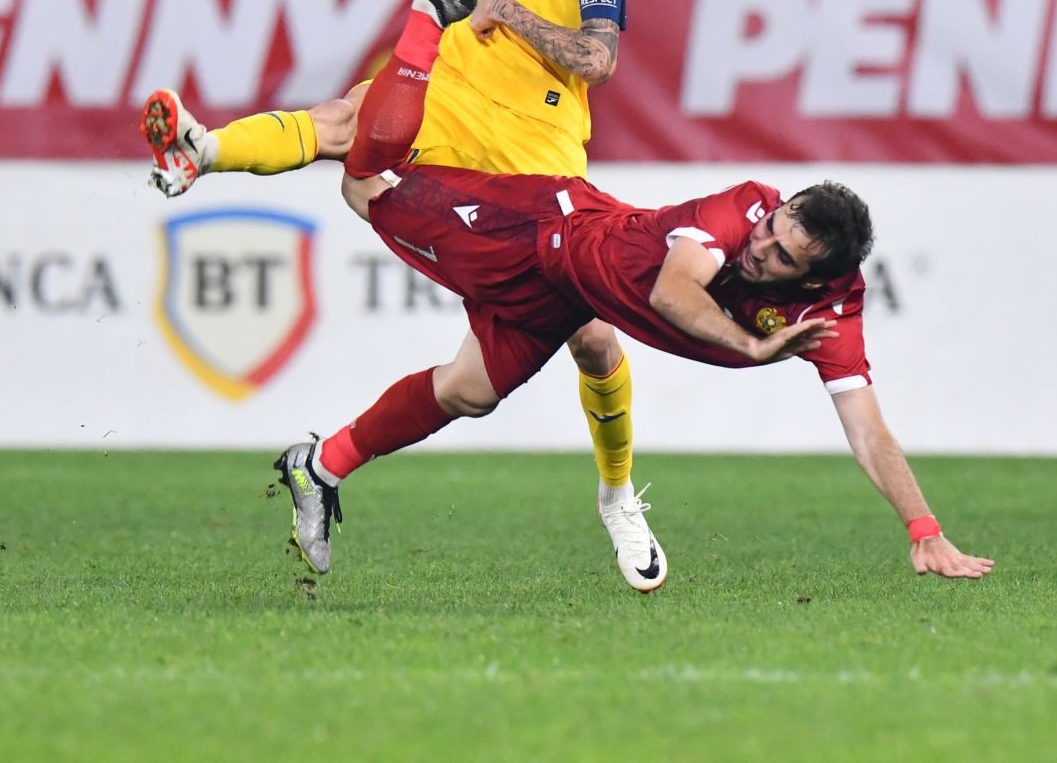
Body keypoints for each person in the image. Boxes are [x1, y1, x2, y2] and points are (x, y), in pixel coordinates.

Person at [140, 0, 773, 592]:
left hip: (530, 155)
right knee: (342, 124)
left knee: (556, 354)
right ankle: (200, 151)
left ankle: (613, 495)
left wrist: (508, 10)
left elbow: (598, 58)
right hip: (456, 96)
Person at [275, 162, 994, 589]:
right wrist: (749, 346)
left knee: (469, 392)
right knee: (361, 186)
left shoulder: (834, 312)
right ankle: (415, 38)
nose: (760, 249)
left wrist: (923, 528)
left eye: (780, 258)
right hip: (532, 237)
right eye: (771, 228)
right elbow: (672, 293)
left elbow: (866, 427)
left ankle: (320, 465)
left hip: (564, 298)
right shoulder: (741, 208)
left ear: (817, 279)